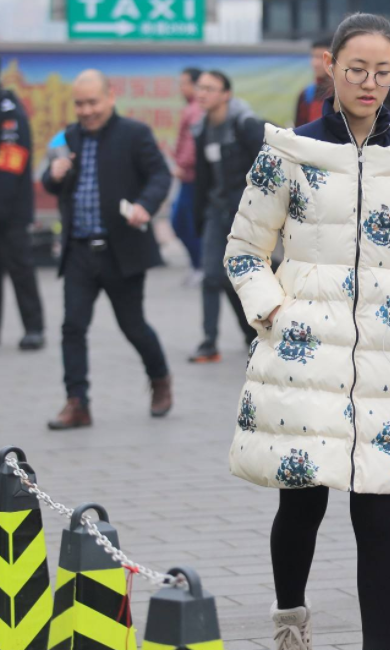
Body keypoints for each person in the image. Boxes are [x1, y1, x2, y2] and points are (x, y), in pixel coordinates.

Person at [223, 13, 390, 650]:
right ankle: (291, 621)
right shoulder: (288, 151)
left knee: (378, 507)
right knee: (302, 500)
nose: (369, 83)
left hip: (389, 354)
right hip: (305, 351)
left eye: (382, 71)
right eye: (356, 69)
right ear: (332, 68)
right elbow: (244, 250)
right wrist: (276, 312)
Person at [42, 70, 172, 430]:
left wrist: (145, 204)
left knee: (132, 326)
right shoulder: (67, 137)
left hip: (122, 251)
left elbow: (160, 175)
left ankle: (160, 379)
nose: (86, 110)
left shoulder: (134, 134)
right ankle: (77, 403)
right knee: (72, 326)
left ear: (110, 97)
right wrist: (53, 174)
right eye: (79, 104)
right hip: (79, 250)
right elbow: (48, 181)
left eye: (92, 102)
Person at [189, 70, 264, 363]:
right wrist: (198, 217)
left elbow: (266, 168)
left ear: (226, 94)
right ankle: (209, 342)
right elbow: (202, 180)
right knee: (211, 276)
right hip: (215, 212)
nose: (203, 93)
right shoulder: (202, 129)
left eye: (210, 88)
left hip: (245, 215)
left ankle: (252, 334)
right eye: (200, 88)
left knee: (238, 277)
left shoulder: (244, 125)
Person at [0, 61, 45, 351]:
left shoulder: (9, 111)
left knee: (21, 269)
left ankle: (34, 329)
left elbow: (11, 162)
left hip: (10, 210)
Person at [171, 67, 203, 283]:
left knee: (183, 222)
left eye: (184, 83)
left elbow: (192, 145)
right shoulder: (192, 109)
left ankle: (201, 266)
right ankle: (197, 265)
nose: (181, 88)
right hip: (187, 177)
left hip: (192, 177)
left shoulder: (196, 110)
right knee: (183, 222)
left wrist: (182, 164)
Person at [294, 39, 333, 128]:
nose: (315, 63)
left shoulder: (344, 94)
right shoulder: (306, 94)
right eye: (313, 56)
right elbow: (299, 133)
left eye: (321, 57)